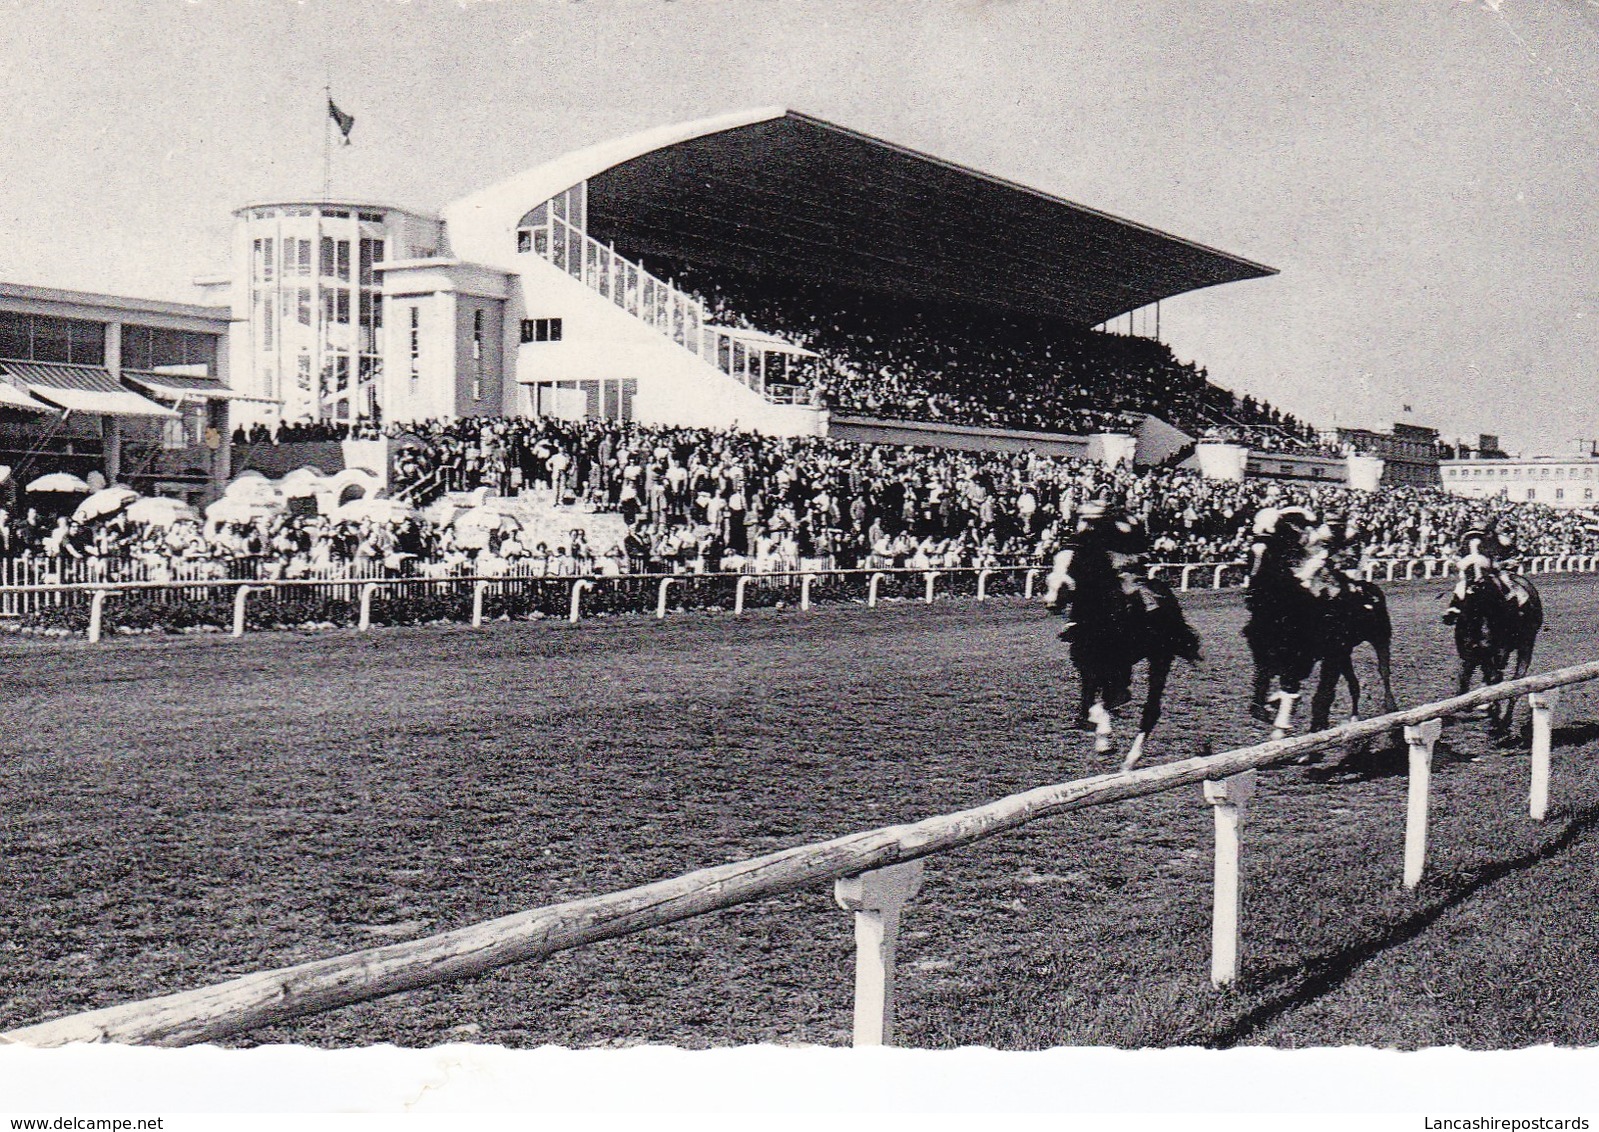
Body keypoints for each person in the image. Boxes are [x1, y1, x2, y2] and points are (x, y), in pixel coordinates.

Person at [1443, 519, 1525, 623]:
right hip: (1482, 565)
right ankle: (1515, 607)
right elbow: (1495, 553)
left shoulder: (1467, 536)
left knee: (1462, 585)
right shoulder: (1487, 537)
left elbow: (1459, 554)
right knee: (1504, 582)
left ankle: (1454, 608)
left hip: (1470, 565)